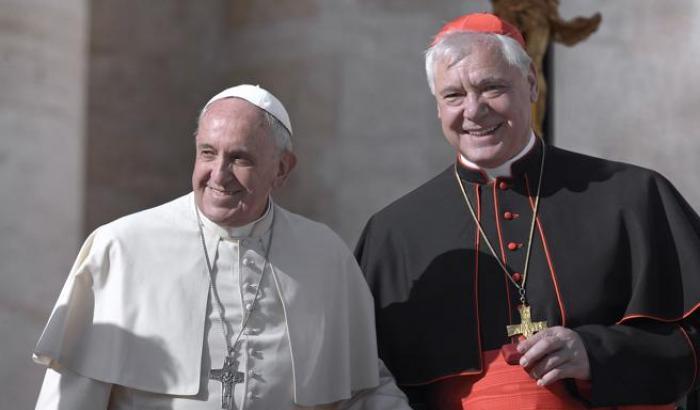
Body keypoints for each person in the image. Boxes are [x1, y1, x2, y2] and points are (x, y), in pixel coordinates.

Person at [355, 13, 700, 410]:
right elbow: (364, 380)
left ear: (532, 84)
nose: (474, 110)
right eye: (453, 96)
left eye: (492, 87)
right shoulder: (394, 231)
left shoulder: (633, 195)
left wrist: (599, 353)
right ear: (437, 107)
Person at [33, 84, 409, 409]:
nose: (218, 174)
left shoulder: (326, 257)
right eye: (208, 153)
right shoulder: (122, 248)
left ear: (281, 169)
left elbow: (360, 389)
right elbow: (72, 394)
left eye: (240, 158)